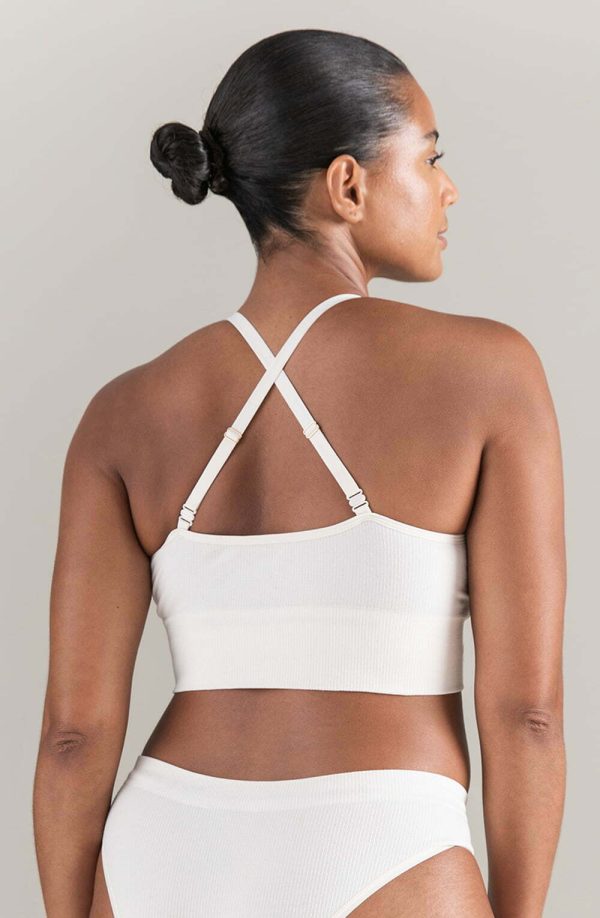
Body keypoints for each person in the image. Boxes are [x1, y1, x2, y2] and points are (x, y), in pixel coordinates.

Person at [33, 28, 566, 918]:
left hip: (161, 846)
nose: (448, 189)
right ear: (348, 185)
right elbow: (528, 714)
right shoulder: (491, 374)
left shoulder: (122, 413)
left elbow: (73, 737)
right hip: (387, 839)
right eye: (430, 157)